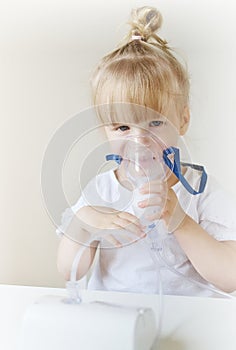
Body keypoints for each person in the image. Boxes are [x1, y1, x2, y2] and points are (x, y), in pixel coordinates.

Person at [56, 6, 236, 296]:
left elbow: (230, 277)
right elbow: (69, 271)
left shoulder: (201, 192)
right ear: (106, 130)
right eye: (122, 128)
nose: (140, 141)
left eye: (155, 122)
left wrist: (182, 222)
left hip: (187, 326)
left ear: (183, 120)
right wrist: (83, 226)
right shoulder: (102, 192)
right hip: (122, 323)